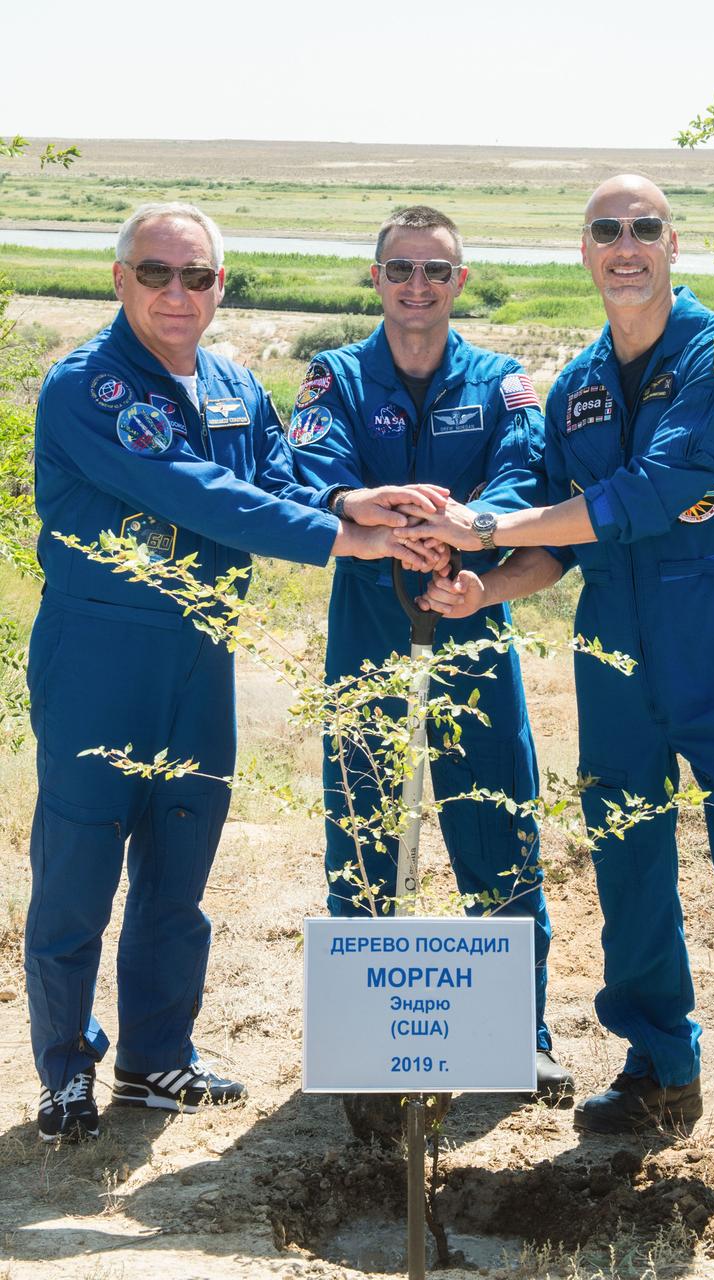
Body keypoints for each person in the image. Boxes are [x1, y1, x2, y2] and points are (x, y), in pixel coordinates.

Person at [400, 176, 714, 1215]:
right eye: (605, 230)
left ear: (671, 243)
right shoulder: (575, 391)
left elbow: (650, 493)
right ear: (586, 252)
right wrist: (482, 584)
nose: (625, 245)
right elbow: (556, 546)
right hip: (612, 661)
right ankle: (658, 1067)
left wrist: (491, 530)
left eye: (643, 227)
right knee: (630, 862)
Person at [26, 202, 444, 1143]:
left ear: (221, 285)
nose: (179, 293)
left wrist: (348, 497)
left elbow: (273, 478)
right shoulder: (88, 387)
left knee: (180, 867)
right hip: (100, 653)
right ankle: (63, 1071)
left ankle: (154, 1057)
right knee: (79, 870)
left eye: (199, 276)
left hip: (198, 653)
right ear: (119, 278)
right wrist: (354, 540)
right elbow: (198, 493)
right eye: (156, 273)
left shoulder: (230, 383)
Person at [287, 206, 572, 1097]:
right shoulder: (333, 376)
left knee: (496, 817)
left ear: (460, 280)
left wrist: (463, 542)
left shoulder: (500, 381)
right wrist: (370, 508)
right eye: (401, 269)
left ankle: (519, 1031)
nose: (418, 286)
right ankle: (367, 1043)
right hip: (367, 623)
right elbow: (305, 471)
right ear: (375, 278)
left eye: (436, 271)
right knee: (363, 815)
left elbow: (529, 478)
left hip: (470, 617)